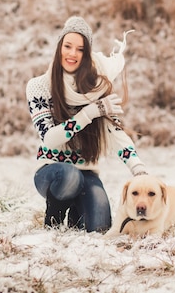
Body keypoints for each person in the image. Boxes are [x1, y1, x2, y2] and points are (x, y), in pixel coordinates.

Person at [26, 16, 147, 233]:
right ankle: (53, 219)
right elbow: (50, 139)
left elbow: (116, 133)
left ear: (86, 54)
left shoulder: (97, 87)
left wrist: (139, 170)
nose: (72, 54)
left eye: (80, 49)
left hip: (87, 173)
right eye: (68, 46)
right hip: (52, 172)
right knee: (69, 176)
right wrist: (89, 113)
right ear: (59, 47)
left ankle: (76, 210)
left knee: (99, 226)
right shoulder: (40, 87)